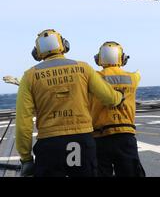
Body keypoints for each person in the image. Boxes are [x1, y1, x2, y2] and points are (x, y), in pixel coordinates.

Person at [15, 29, 124, 177]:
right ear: (64, 45)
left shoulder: (29, 77)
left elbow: (23, 121)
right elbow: (109, 98)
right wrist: (120, 97)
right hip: (81, 141)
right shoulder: (83, 68)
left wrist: (26, 158)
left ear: (37, 52)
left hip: (49, 145)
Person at [90, 41, 145, 177]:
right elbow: (138, 75)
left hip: (100, 137)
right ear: (122, 59)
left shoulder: (93, 78)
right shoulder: (132, 78)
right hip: (125, 136)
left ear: (99, 59)